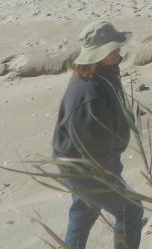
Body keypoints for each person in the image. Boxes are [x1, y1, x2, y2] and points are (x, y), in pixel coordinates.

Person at [52, 20, 143, 249]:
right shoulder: (88, 93)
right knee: (130, 210)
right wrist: (110, 174)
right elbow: (90, 145)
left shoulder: (105, 70)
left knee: (84, 213)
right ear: (95, 55)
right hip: (85, 167)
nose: (117, 52)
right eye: (111, 49)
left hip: (94, 161)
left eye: (116, 47)